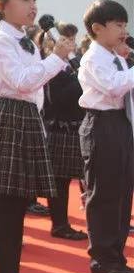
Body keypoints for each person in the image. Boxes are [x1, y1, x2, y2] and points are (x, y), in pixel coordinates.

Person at [0, 0, 72, 273]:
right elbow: (23, 81)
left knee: (18, 205)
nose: (33, 6)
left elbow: (33, 88)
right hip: (9, 117)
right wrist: (56, 59)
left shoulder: (22, 39)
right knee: (7, 205)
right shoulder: (0, 40)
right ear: (2, 6)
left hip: (25, 118)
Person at [78, 0, 134, 273]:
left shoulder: (117, 56)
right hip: (100, 124)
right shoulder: (93, 58)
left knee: (123, 193)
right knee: (104, 194)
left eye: (125, 25)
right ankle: (102, 259)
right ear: (97, 28)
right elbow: (113, 86)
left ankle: (116, 256)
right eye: (118, 25)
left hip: (121, 124)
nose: (124, 31)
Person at [35, 23, 88, 241]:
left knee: (81, 178)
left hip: (78, 128)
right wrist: (81, 79)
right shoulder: (51, 66)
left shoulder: (75, 64)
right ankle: (60, 224)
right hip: (60, 129)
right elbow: (57, 99)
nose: (71, 44)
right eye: (66, 39)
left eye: (73, 39)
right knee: (60, 182)